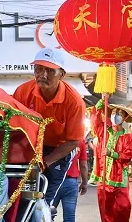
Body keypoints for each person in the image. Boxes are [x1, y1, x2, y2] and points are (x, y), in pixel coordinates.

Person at [13, 48, 84, 206]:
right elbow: (14, 126)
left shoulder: (74, 102)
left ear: (62, 74)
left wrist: (45, 162)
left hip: (58, 151)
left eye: (50, 71)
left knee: (44, 200)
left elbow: (73, 141)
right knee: (20, 198)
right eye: (38, 69)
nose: (42, 75)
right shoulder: (22, 92)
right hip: (30, 148)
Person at [91, 101, 132, 222]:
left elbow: (129, 154)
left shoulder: (127, 136)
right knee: (106, 208)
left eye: (120, 114)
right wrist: (101, 101)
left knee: (123, 206)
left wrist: (113, 154)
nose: (116, 115)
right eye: (114, 112)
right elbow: (94, 118)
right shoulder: (103, 131)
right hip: (104, 176)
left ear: (124, 118)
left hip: (120, 176)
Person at [53, 136, 89, 222]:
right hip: (71, 183)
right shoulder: (80, 141)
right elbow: (83, 165)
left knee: (47, 216)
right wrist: (84, 182)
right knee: (69, 220)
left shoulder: (56, 138)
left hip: (54, 181)